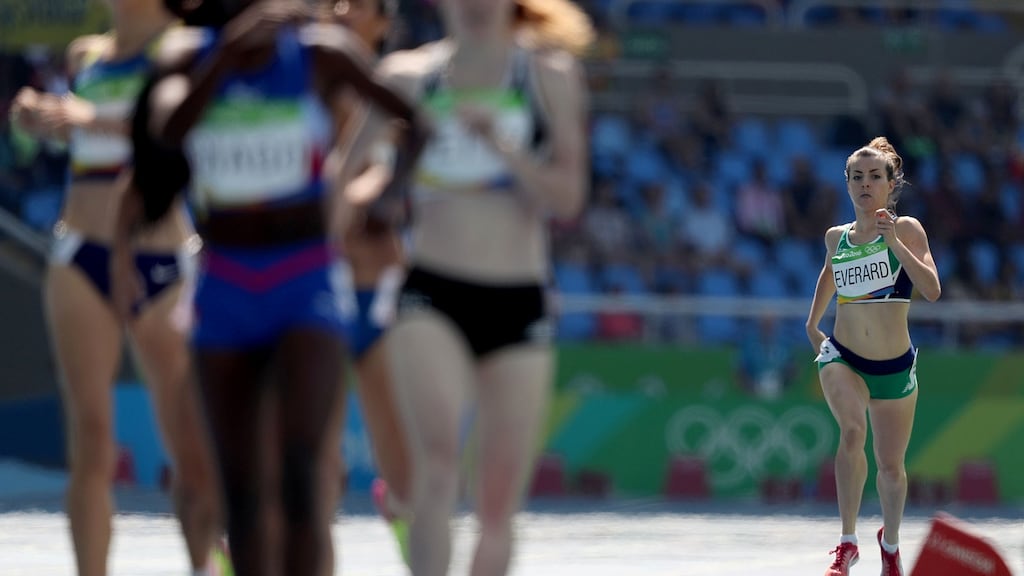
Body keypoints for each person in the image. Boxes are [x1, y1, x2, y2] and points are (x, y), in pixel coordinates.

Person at [111, 0, 428, 574]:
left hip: (303, 278)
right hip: (224, 281)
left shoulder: (319, 55)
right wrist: (227, 56)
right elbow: (166, 132)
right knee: (241, 492)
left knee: (303, 478)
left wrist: (386, 192)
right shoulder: (186, 58)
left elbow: (416, 123)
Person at [339, 1, 592, 574]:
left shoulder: (548, 75)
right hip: (432, 291)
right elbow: (344, 175)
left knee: (498, 504)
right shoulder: (408, 76)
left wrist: (503, 148)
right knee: (435, 468)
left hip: (518, 297)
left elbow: (568, 197)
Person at [8, 1, 224, 574]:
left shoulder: (187, 49)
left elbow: (175, 132)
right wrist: (35, 121)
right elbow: (64, 140)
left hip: (164, 257)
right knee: (91, 440)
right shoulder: (88, 55)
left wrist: (85, 119)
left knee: (193, 453)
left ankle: (207, 563)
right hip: (82, 248)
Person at [805, 137, 941, 576]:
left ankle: (892, 544)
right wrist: (812, 323)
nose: (865, 184)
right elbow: (830, 272)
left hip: (894, 367)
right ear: (847, 184)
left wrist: (894, 244)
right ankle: (847, 543)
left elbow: (934, 290)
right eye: (856, 177)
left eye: (874, 176)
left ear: (890, 183)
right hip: (843, 356)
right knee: (850, 431)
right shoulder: (836, 237)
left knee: (891, 468)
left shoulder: (908, 230)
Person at [320, 0, 414, 566]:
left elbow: (391, 173)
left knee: (400, 461)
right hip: (317, 284)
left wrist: (357, 190)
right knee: (317, 459)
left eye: (361, 3)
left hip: (380, 284)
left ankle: (414, 549)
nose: (343, 9)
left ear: (384, 21)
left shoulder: (402, 86)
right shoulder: (302, 81)